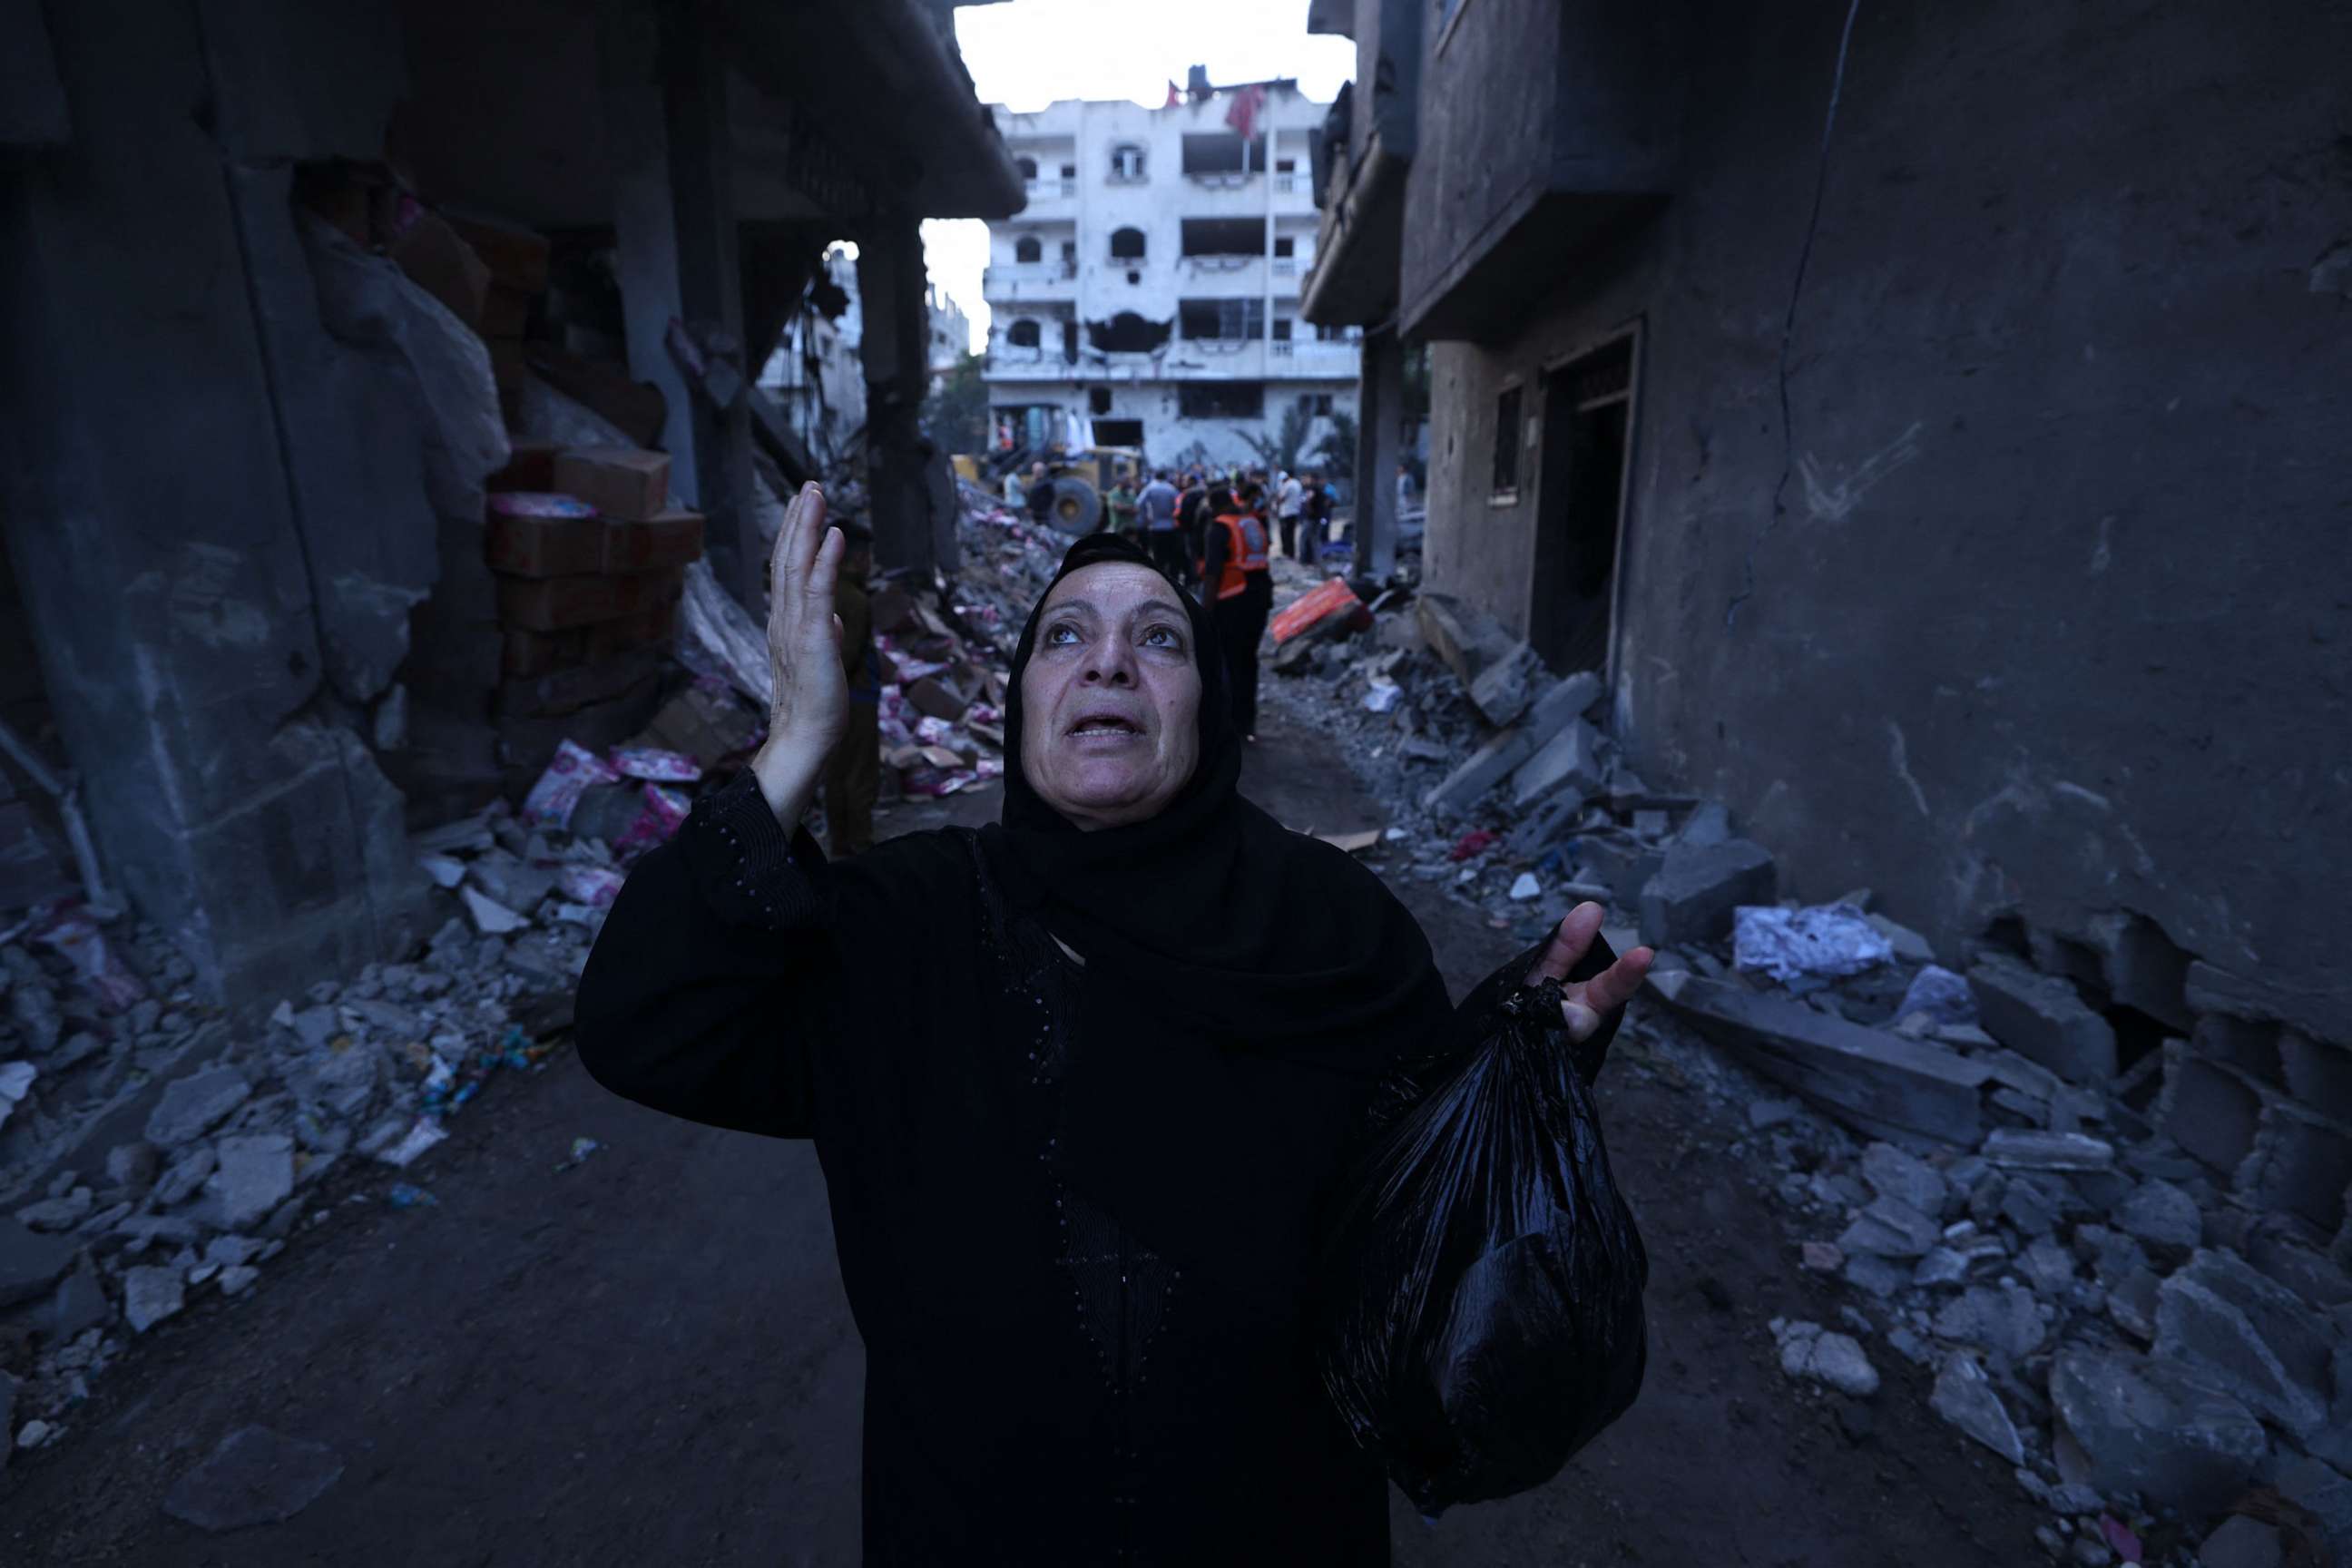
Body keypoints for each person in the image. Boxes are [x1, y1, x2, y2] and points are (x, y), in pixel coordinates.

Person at [574, 483, 1651, 1564]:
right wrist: (800, 741)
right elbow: (643, 1021)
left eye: (1159, 640)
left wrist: (1510, 1082)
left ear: (1210, 697)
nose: (1107, 663)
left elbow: (1419, 1212)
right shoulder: (907, 924)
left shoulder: (1335, 931)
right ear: (1023, 698)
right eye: (1066, 636)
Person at [818, 520, 881, 858]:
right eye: (867, 556)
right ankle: (861, 845)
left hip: (828, 698)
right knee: (861, 774)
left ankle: (840, 843)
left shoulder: (823, 593)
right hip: (855, 698)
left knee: (837, 773)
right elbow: (849, 654)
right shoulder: (855, 600)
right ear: (856, 558)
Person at [1199, 485, 1272, 740]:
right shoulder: (1252, 521)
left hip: (1232, 601)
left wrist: (1205, 612)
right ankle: (1247, 723)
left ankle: (1227, 725)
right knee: (1248, 661)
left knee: (1227, 662)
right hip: (1260, 598)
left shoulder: (1220, 527)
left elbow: (1212, 573)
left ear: (1213, 505)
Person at [1137, 467, 1184, 584]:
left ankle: (1160, 582)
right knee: (1171, 556)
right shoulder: (1171, 489)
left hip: (1155, 527)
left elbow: (1139, 503)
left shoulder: (1150, 488)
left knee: (1158, 557)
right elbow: (1179, 505)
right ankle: (1173, 582)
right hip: (1170, 526)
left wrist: (1145, 519)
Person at [1274, 468, 1305, 561]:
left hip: (1287, 512)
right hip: (1295, 511)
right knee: (1292, 533)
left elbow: (1281, 498)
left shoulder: (1287, 484)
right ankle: (1292, 553)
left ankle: (1288, 553)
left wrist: (1276, 503)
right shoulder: (1298, 483)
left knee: (1286, 534)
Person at [1024, 461, 1056, 528]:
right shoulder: (1037, 482)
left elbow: (1051, 496)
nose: (1033, 472)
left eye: (1034, 471)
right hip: (1036, 511)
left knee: (1045, 527)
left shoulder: (1046, 483)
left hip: (1042, 512)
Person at [1106, 472, 1138, 537]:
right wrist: (1130, 508)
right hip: (1118, 529)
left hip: (1131, 529)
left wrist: (1124, 508)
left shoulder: (1131, 494)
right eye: (1127, 480)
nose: (1129, 482)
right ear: (1121, 481)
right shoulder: (1112, 494)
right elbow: (1118, 508)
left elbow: (1136, 510)